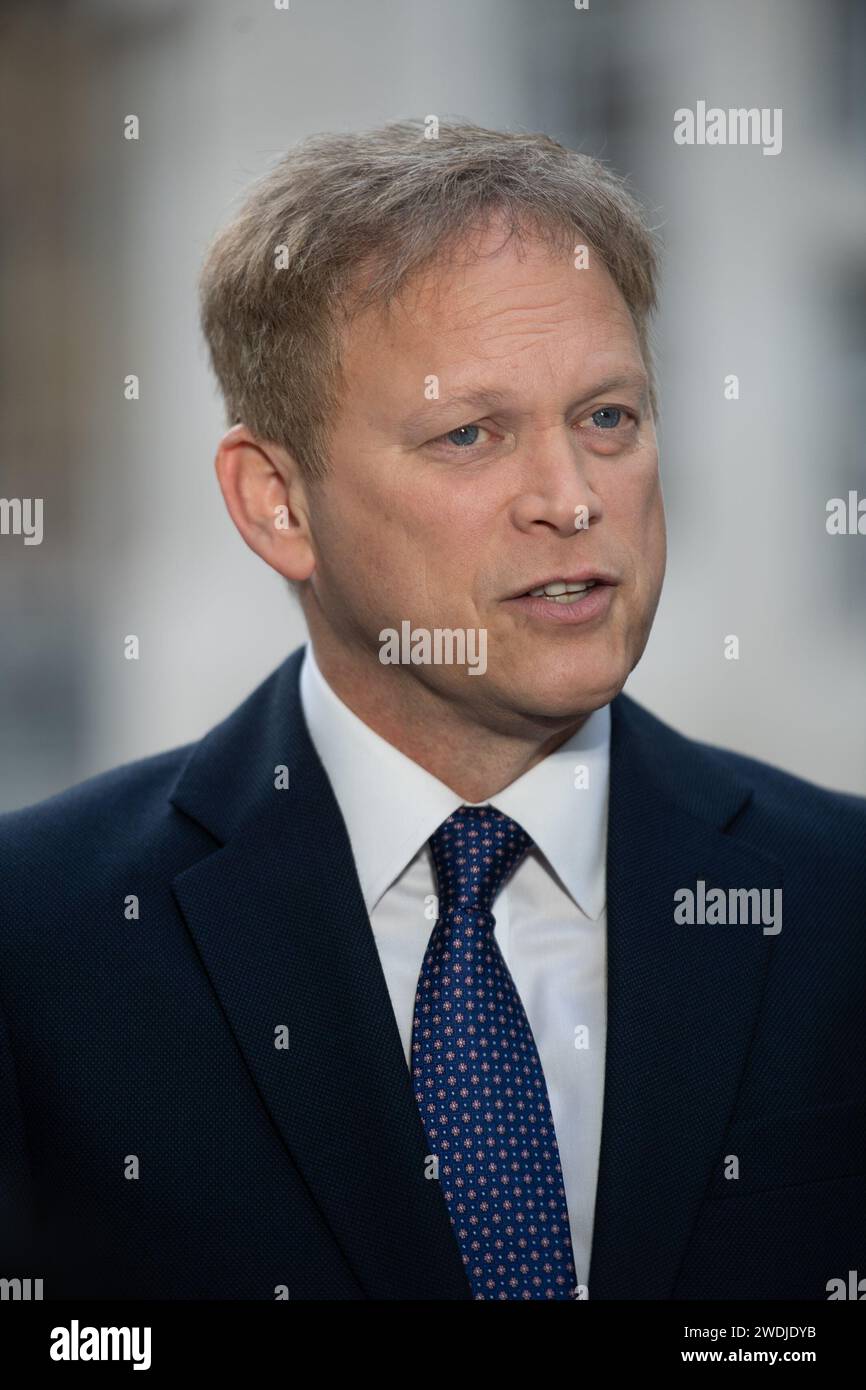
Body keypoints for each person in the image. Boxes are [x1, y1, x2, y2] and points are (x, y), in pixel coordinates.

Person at [1, 120, 863, 1301]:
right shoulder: (39, 937)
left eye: (606, 417)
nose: (570, 500)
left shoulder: (839, 899)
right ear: (276, 504)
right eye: (470, 434)